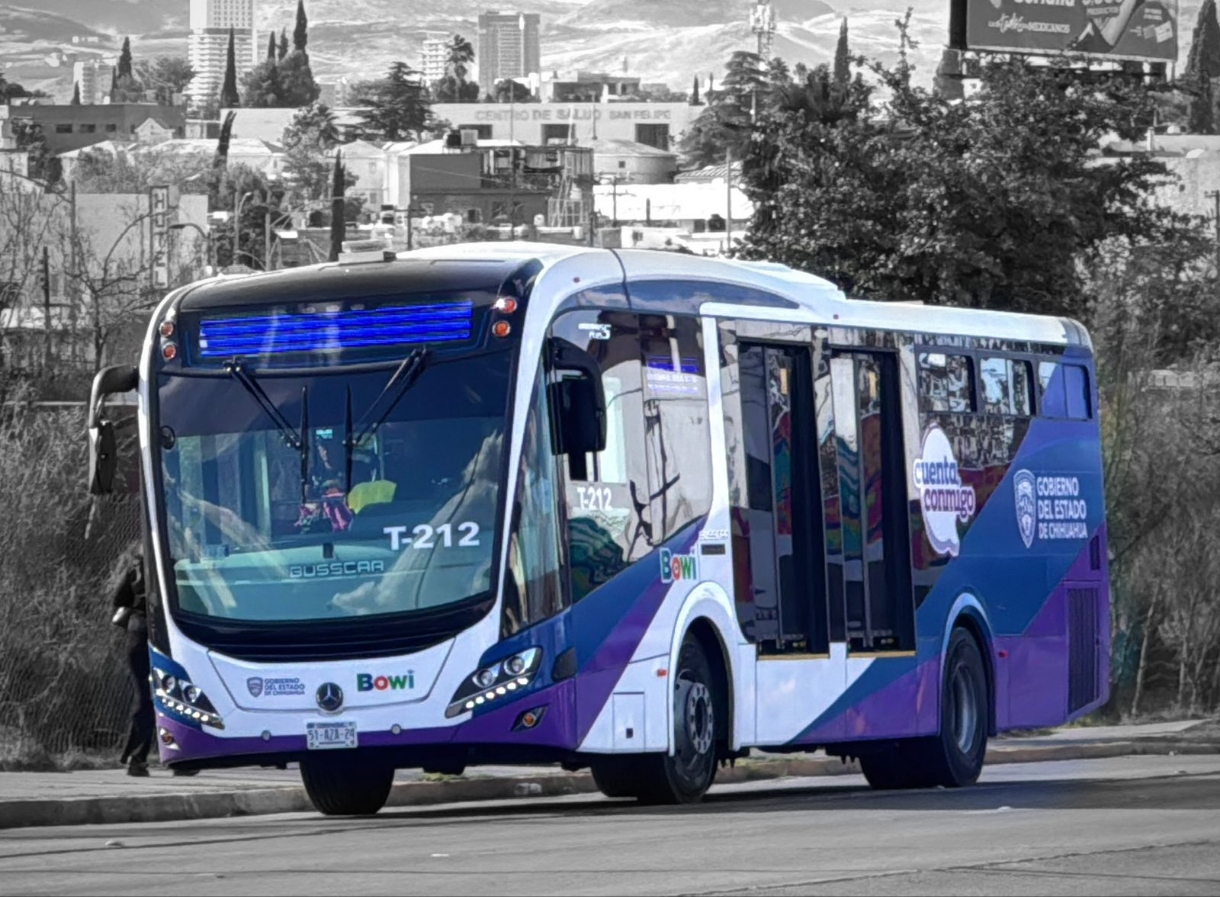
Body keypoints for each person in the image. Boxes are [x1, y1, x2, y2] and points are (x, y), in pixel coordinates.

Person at [110, 543, 153, 777]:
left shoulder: (134, 568)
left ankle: (135, 757)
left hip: (137, 635)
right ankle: (182, 757)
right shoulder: (173, 568)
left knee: (144, 697)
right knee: (177, 697)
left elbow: (119, 598)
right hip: (165, 637)